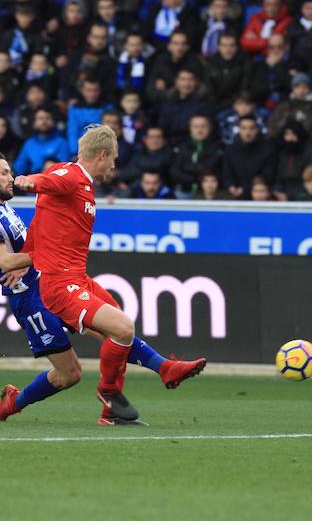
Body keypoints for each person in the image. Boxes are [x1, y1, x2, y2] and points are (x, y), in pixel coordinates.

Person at [12, 126, 207, 424]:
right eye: (113, 159)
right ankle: (108, 391)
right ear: (102, 155)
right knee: (123, 328)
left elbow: (42, 218)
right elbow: (49, 182)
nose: (114, 165)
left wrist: (26, 257)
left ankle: (132, 396)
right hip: (60, 284)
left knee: (119, 334)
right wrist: (29, 181)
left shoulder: (81, 182)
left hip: (76, 278)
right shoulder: (72, 177)